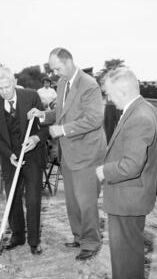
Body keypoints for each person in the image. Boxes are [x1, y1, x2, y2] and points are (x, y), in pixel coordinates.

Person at [28, 48, 107, 261]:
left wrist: (62, 130)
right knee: (72, 200)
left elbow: (94, 119)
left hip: (88, 153)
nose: (55, 73)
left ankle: (91, 242)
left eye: (58, 67)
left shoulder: (89, 84)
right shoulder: (62, 83)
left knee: (86, 200)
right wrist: (43, 115)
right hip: (68, 152)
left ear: (69, 61)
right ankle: (79, 236)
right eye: (52, 69)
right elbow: (61, 113)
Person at [95, 67, 157, 279]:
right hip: (132, 192)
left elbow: (132, 165)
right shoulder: (142, 109)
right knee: (128, 243)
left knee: (125, 242)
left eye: (110, 94)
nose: (108, 99)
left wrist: (105, 171)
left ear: (122, 90)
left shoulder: (140, 117)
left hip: (129, 192)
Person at [0, 67, 49, 255]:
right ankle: (18, 235)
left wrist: (36, 138)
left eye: (7, 86)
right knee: (12, 198)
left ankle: (33, 241)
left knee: (32, 199)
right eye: (0, 88)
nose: (4, 91)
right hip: (10, 159)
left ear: (13, 82)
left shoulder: (31, 97)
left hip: (32, 156)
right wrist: (8, 154)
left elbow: (45, 126)